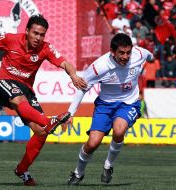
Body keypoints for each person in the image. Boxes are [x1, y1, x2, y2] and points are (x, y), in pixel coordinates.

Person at [0, 14, 87, 186]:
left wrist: (73, 75)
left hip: (27, 91)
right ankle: (48, 121)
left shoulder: (46, 48)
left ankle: (22, 169)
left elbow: (65, 63)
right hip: (5, 84)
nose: (38, 38)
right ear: (26, 31)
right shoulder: (10, 39)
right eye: (35, 33)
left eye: (42, 35)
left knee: (41, 132)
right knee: (21, 101)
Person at [65, 33, 154, 185]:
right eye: (121, 53)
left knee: (119, 131)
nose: (125, 56)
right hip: (105, 105)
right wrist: (70, 113)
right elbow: (82, 88)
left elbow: (149, 55)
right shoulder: (99, 67)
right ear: (113, 52)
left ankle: (108, 166)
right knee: (93, 143)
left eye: (128, 52)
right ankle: (78, 173)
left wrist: (151, 58)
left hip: (129, 103)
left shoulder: (138, 53)